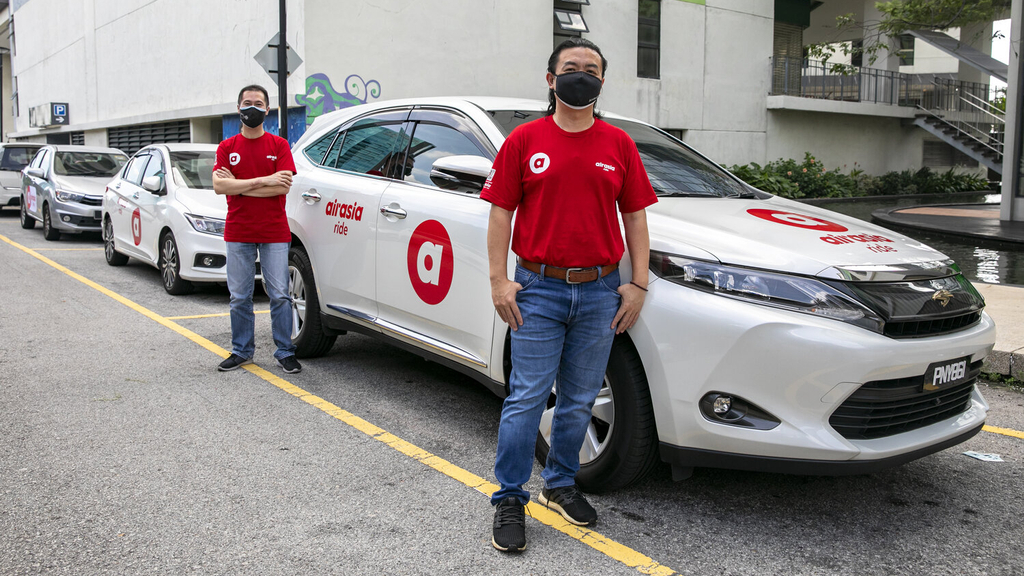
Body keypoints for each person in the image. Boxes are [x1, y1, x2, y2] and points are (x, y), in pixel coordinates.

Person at [481, 38, 657, 552]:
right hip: (538, 289)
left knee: (579, 399)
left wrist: (637, 283)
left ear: (602, 80)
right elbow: (500, 213)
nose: (582, 75)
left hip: (601, 290)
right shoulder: (524, 140)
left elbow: (635, 217)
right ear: (550, 79)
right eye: (571, 67)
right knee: (527, 399)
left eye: (592, 69)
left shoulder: (619, 144)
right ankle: (509, 498)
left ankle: (559, 484)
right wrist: (498, 280)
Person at [212, 84, 302, 374]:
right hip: (238, 231)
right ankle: (242, 351)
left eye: (258, 103)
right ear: (238, 108)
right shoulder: (227, 147)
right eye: (247, 102)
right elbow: (219, 186)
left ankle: (285, 351)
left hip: (274, 232)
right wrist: (264, 181)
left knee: (280, 295)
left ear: (267, 109)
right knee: (239, 297)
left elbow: (283, 186)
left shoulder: (279, 145)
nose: (253, 108)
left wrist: (238, 185)